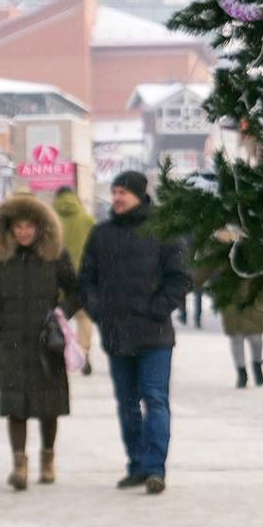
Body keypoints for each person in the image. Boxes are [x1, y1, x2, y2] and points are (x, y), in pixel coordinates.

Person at [78, 171, 191, 494]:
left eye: (123, 192)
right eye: (114, 192)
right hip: (116, 332)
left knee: (155, 400)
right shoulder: (101, 234)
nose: (117, 198)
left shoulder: (163, 231)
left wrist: (157, 309)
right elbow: (86, 279)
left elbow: (181, 278)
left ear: (140, 195)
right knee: (126, 404)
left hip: (155, 335)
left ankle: (155, 468)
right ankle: (137, 465)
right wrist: (99, 311)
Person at [0, 193, 80, 490]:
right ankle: (18, 464)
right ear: (9, 229)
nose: (23, 232)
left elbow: (76, 290)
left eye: (29, 226)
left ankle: (48, 458)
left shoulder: (54, 255)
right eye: (18, 227)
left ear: (39, 228)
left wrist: (61, 315)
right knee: (15, 404)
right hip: (12, 342)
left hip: (47, 342)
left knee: (49, 404)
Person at [52, 186, 97, 375]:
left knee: (56, 320)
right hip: (83, 279)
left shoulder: (51, 220)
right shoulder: (88, 221)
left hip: (56, 280)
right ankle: (83, 351)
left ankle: (58, 352)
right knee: (84, 319)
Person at [217, 278, 263, 388]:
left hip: (253, 301)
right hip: (233, 302)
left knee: (256, 339)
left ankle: (256, 365)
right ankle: (242, 373)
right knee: (237, 341)